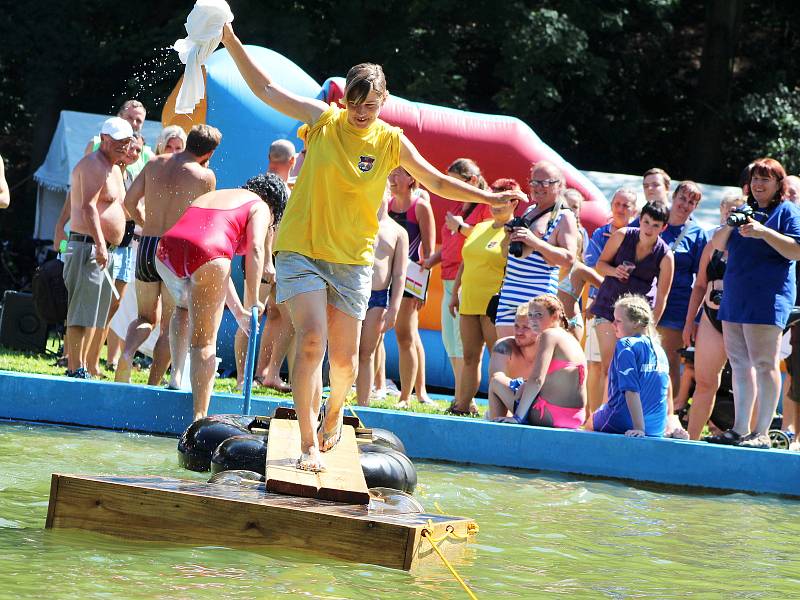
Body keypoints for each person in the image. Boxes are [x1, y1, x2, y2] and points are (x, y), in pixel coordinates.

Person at [222, 24, 524, 471]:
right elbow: (266, 87)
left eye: (370, 104)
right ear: (344, 100)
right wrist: (229, 37)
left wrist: (490, 199)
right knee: (310, 343)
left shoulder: (390, 141)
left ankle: (334, 412)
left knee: (344, 366)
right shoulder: (322, 121)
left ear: (383, 101)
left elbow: (436, 180)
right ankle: (308, 443)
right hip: (302, 249)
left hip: (353, 261)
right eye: (354, 103)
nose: (361, 112)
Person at [156, 175, 286, 421]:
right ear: (274, 207)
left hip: (166, 251)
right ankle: (198, 417)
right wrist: (253, 300)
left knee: (184, 309)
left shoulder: (217, 196)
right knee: (203, 342)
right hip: (209, 256)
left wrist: (239, 313)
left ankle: (176, 377)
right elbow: (255, 249)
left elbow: (215, 270)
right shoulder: (260, 206)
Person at [116, 125, 220, 386]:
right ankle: (153, 384)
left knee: (144, 318)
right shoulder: (204, 176)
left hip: (147, 244)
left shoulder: (153, 163)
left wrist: (146, 221)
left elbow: (128, 201)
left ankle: (126, 354)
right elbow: (206, 223)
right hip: (174, 251)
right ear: (209, 152)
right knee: (170, 323)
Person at [706, 158, 800, 448]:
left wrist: (763, 232)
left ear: (778, 185)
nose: (759, 184)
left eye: (766, 180)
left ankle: (760, 433)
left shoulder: (787, 211)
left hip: (767, 298)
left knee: (764, 363)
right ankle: (739, 428)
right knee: (738, 363)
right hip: (736, 296)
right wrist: (731, 223)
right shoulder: (745, 210)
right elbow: (719, 244)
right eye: (755, 179)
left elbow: (796, 251)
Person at [62, 117, 132, 379]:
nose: (123, 146)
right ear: (103, 139)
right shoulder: (93, 164)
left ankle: (83, 367)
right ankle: (74, 367)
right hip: (89, 247)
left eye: (127, 141)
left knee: (96, 313)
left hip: (105, 249)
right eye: (118, 141)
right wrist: (101, 245)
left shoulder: (114, 167)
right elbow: (88, 207)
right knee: (81, 312)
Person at [422, 158, 491, 413]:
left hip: (468, 280)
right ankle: (460, 395)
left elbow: (487, 238)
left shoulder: (485, 206)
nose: (450, 186)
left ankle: (466, 398)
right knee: (450, 341)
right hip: (448, 277)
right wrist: (433, 260)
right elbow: (451, 245)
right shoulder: (459, 206)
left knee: (464, 343)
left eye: (455, 181)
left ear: (471, 181)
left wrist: (461, 227)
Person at [449, 178, 520, 414]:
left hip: (495, 304)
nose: (496, 203)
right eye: (493, 197)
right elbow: (464, 263)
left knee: (498, 358)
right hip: (469, 299)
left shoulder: (516, 231)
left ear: (514, 203)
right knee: (469, 356)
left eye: (502, 199)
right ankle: (462, 405)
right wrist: (454, 294)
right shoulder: (479, 227)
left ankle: (503, 409)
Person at [591, 201, 674, 398]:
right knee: (609, 365)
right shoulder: (622, 235)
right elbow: (600, 265)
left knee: (629, 370)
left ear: (664, 227)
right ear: (640, 220)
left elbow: (662, 297)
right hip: (608, 307)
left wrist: (650, 328)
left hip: (637, 318)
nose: (649, 228)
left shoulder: (666, 255)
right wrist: (614, 270)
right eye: (646, 222)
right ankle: (604, 414)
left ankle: (624, 414)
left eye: (655, 225)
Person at [680, 194, 744, 439]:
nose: (732, 217)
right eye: (729, 212)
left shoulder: (751, 245)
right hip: (710, 314)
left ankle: (744, 434)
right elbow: (699, 285)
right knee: (705, 381)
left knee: (745, 382)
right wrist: (690, 322)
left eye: (737, 213)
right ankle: (693, 438)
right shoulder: (713, 243)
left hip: (740, 316)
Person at [495, 160, 579, 338]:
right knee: (506, 356)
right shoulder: (530, 210)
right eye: (534, 182)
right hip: (508, 299)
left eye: (545, 182)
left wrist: (534, 241)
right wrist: (507, 236)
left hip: (536, 303)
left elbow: (569, 258)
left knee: (532, 362)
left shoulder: (565, 216)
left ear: (560, 185)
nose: (538, 187)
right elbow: (508, 255)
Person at [86, 134, 145, 377]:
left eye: (138, 151)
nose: (133, 153)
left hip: (127, 246)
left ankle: (94, 360)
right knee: (98, 306)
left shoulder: (131, 175)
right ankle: (83, 360)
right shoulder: (107, 170)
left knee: (113, 306)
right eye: (131, 148)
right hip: (108, 247)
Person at [490, 294, 586, 428]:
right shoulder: (570, 339)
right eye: (530, 315)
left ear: (555, 316)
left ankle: (497, 433)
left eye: (539, 315)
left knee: (496, 382)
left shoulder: (549, 335)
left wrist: (518, 417)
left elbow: (537, 380)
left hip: (551, 415)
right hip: (576, 417)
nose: (532, 320)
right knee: (522, 388)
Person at [583, 188, 638, 414]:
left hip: (627, 310)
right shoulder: (600, 234)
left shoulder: (639, 236)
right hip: (600, 305)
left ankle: (612, 412)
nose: (621, 209)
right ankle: (591, 414)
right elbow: (594, 266)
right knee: (595, 366)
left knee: (617, 366)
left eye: (626, 205)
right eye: (617, 203)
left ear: (634, 210)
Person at [588, 294, 671, 437]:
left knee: (590, 423)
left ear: (636, 323)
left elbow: (631, 390)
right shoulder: (660, 350)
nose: (613, 324)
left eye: (618, 321)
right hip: (657, 428)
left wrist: (639, 428)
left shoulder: (626, 345)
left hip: (626, 422)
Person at [388, 166, 436, 408]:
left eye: (398, 174)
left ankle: (405, 396)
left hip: (411, 280)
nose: (392, 178)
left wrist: (423, 288)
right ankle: (421, 392)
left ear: (411, 179)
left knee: (404, 334)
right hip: (389, 276)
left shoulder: (420, 206)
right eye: (391, 173)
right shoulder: (386, 205)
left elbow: (429, 252)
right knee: (411, 334)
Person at [356, 191, 408, 406]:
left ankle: (363, 405)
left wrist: (394, 308)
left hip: (377, 298)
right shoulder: (355, 221)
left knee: (366, 352)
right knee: (344, 351)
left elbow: (398, 274)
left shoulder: (397, 232)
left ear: (389, 195)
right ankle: (335, 400)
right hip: (352, 292)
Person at [657, 181, 708, 394]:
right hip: (645, 301)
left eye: (691, 202)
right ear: (673, 197)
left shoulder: (697, 234)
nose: (685, 205)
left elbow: (702, 281)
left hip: (676, 306)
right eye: (682, 198)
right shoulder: (655, 218)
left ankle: (669, 416)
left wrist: (693, 320)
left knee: (667, 362)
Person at [487, 303, 540, 415]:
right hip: (513, 404)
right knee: (496, 381)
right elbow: (496, 380)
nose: (519, 332)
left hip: (542, 407)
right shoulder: (504, 347)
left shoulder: (549, 350)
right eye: (516, 326)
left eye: (525, 327)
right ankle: (499, 428)